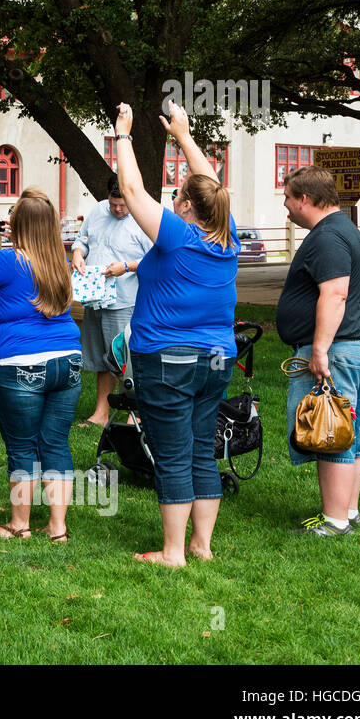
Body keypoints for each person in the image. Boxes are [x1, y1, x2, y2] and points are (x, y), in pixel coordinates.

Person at [113, 100, 238, 567]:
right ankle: (201, 546)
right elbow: (214, 189)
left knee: (171, 455)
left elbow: (130, 187)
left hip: (168, 361)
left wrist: (123, 133)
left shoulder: (178, 235)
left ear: (186, 207)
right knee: (202, 451)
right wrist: (183, 137)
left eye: (178, 198)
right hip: (216, 361)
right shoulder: (227, 241)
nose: (171, 203)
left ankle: (172, 552)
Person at [0, 190, 81, 542]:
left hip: (20, 363)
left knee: (22, 447)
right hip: (68, 361)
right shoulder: (58, 261)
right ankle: (57, 528)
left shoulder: (7, 262)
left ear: (17, 225)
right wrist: (21, 234)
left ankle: (20, 524)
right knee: (55, 444)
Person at [276, 165, 360, 536]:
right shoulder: (342, 229)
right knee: (351, 430)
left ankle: (335, 521)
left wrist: (319, 350)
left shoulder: (329, 236)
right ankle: (348, 510)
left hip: (337, 351)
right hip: (354, 349)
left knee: (330, 432)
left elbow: (335, 294)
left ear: (304, 199)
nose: (285, 206)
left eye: (287, 198)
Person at [70, 175, 153, 427]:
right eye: (114, 203)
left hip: (125, 301)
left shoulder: (145, 218)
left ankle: (135, 413)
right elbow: (83, 240)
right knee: (102, 359)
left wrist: (126, 267)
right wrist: (77, 253)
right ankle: (101, 413)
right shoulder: (97, 211)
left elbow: (158, 259)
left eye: (123, 204)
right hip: (95, 298)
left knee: (126, 359)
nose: (118, 209)